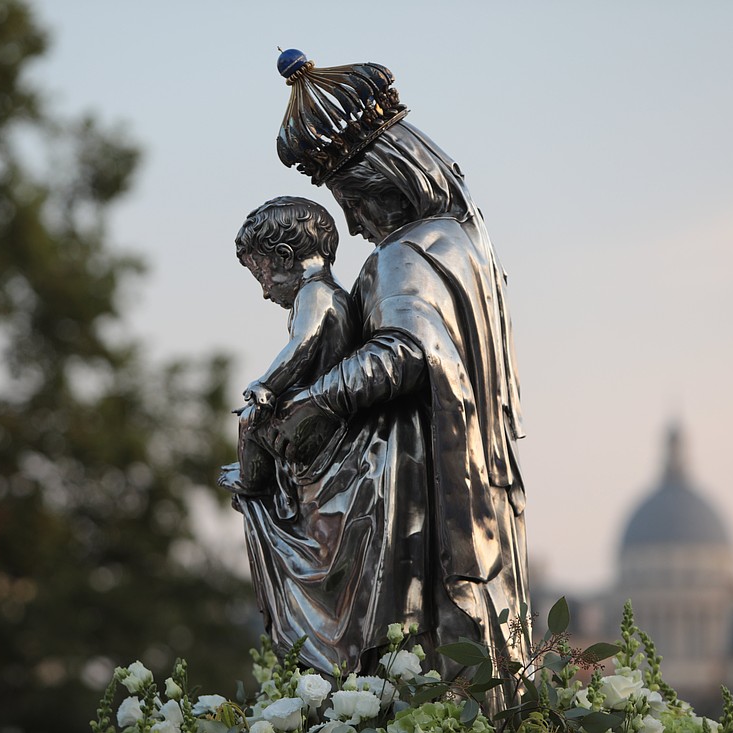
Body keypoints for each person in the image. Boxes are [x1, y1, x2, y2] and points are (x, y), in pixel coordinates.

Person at [233, 51, 530, 703]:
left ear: (381, 178)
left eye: (352, 202)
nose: (357, 225)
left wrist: (317, 400)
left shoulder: (405, 252)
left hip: (417, 504)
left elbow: (406, 349)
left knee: (416, 669)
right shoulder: (461, 240)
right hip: (480, 492)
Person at [219, 196, 358, 515]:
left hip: (317, 419)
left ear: (284, 257)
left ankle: (254, 482)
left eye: (263, 277)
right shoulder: (328, 292)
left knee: (250, 420)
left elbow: (301, 346)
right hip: (321, 412)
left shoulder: (316, 293)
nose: (265, 292)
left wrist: (265, 385)